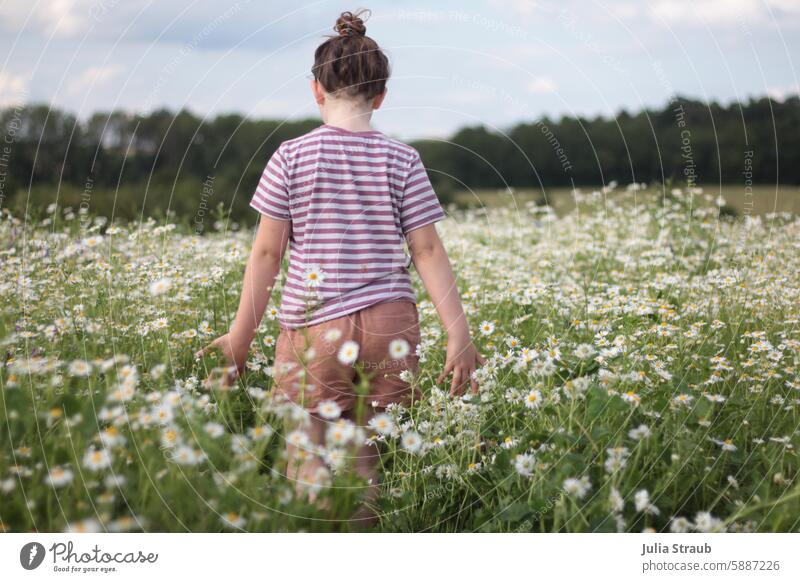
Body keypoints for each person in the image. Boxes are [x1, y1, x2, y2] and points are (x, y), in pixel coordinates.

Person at [199, 9, 484, 523]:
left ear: (315, 90)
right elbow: (428, 252)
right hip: (391, 324)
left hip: (316, 323)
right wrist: (457, 335)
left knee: (305, 446)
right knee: (364, 455)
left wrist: (240, 338)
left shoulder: (290, 156)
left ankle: (312, 545)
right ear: (380, 97)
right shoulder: (404, 159)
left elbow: (267, 254)